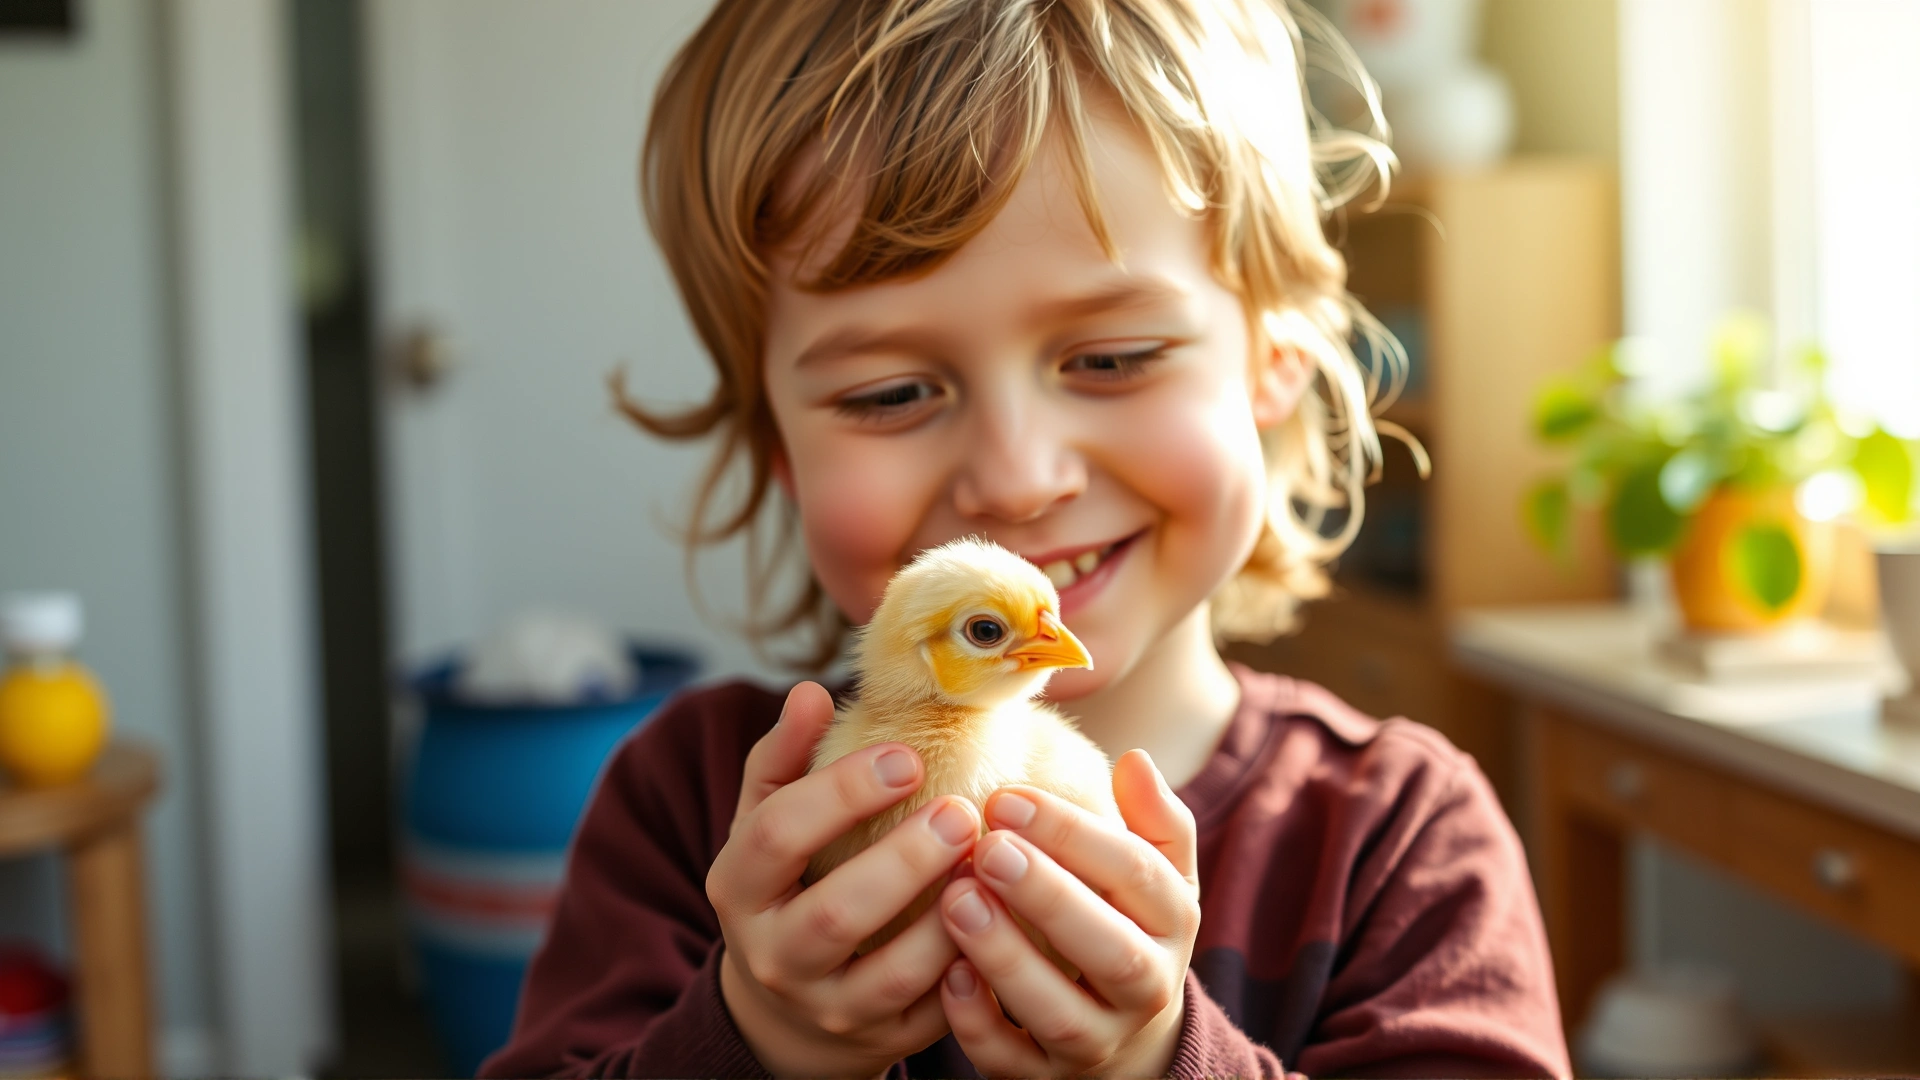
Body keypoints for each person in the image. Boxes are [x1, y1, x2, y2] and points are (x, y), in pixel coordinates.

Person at [481, 0, 1569, 1076]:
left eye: (1112, 358)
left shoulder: (1400, 847)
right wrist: (754, 1043)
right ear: (781, 449)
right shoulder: (693, 811)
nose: (1014, 479)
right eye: (894, 391)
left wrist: (1162, 1063)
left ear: (1272, 365)